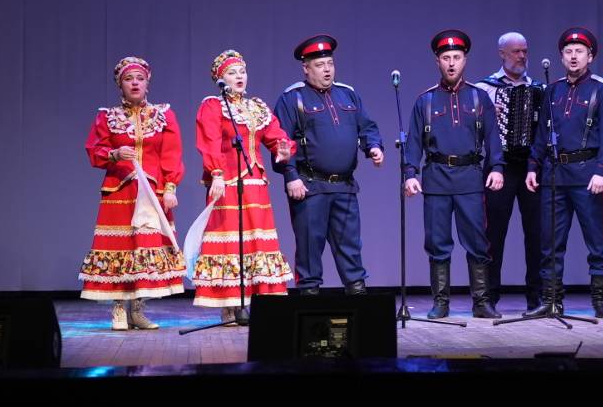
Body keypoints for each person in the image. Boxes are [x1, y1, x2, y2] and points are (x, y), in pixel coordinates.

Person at [403, 30, 505, 319]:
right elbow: (413, 143)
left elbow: (493, 138)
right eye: (446, 58)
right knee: (437, 243)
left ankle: (482, 302)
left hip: (470, 177)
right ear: (437, 61)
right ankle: (441, 303)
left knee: (477, 242)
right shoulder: (425, 101)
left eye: (456, 57)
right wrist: (410, 173)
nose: (451, 63)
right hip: (436, 178)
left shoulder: (479, 97)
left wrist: (497, 168)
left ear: (465, 60)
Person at [273, 34, 385, 295]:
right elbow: (280, 142)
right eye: (320, 65)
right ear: (306, 68)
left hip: (344, 186)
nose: (327, 70)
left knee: (350, 246)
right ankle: (309, 297)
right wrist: (290, 176)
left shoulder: (348, 94)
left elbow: (367, 127)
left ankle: (357, 293)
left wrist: (374, 146)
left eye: (330, 64)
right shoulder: (293, 98)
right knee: (309, 248)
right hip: (310, 186)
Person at [80, 56, 186, 330]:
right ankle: (118, 308)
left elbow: (172, 154)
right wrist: (114, 154)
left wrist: (170, 187)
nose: (135, 83)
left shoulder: (163, 115)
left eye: (140, 78)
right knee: (120, 248)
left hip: (151, 191)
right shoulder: (107, 116)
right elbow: (94, 150)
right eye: (128, 79)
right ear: (120, 85)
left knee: (145, 248)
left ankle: (138, 310)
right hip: (120, 190)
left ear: (148, 83)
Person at [193, 49, 295, 322]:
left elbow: (275, 136)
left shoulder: (257, 107)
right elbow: (210, 142)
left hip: (255, 182)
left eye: (242, 71)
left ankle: (252, 300)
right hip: (226, 183)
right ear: (221, 78)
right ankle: (229, 304)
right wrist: (216, 174)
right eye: (232, 72)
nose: (239, 76)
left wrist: (284, 148)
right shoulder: (213, 106)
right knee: (231, 242)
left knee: (255, 242)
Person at [525, 27, 603, 319]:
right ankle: (551, 300)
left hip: (587, 174)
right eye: (568, 52)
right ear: (561, 57)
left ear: (590, 56)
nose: (574, 56)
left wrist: (602, 170)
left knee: (596, 240)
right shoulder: (552, 90)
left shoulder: (602, 90)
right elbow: (542, 134)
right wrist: (533, 166)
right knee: (550, 243)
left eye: (579, 51)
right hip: (554, 174)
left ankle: (599, 300)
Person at [475, 32, 544, 312]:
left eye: (525, 51)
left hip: (531, 168)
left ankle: (536, 297)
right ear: (502, 54)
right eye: (516, 51)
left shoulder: (538, 88)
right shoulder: (485, 89)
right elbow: (477, 130)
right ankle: (489, 297)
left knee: (537, 234)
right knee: (493, 234)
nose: (522, 56)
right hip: (499, 167)